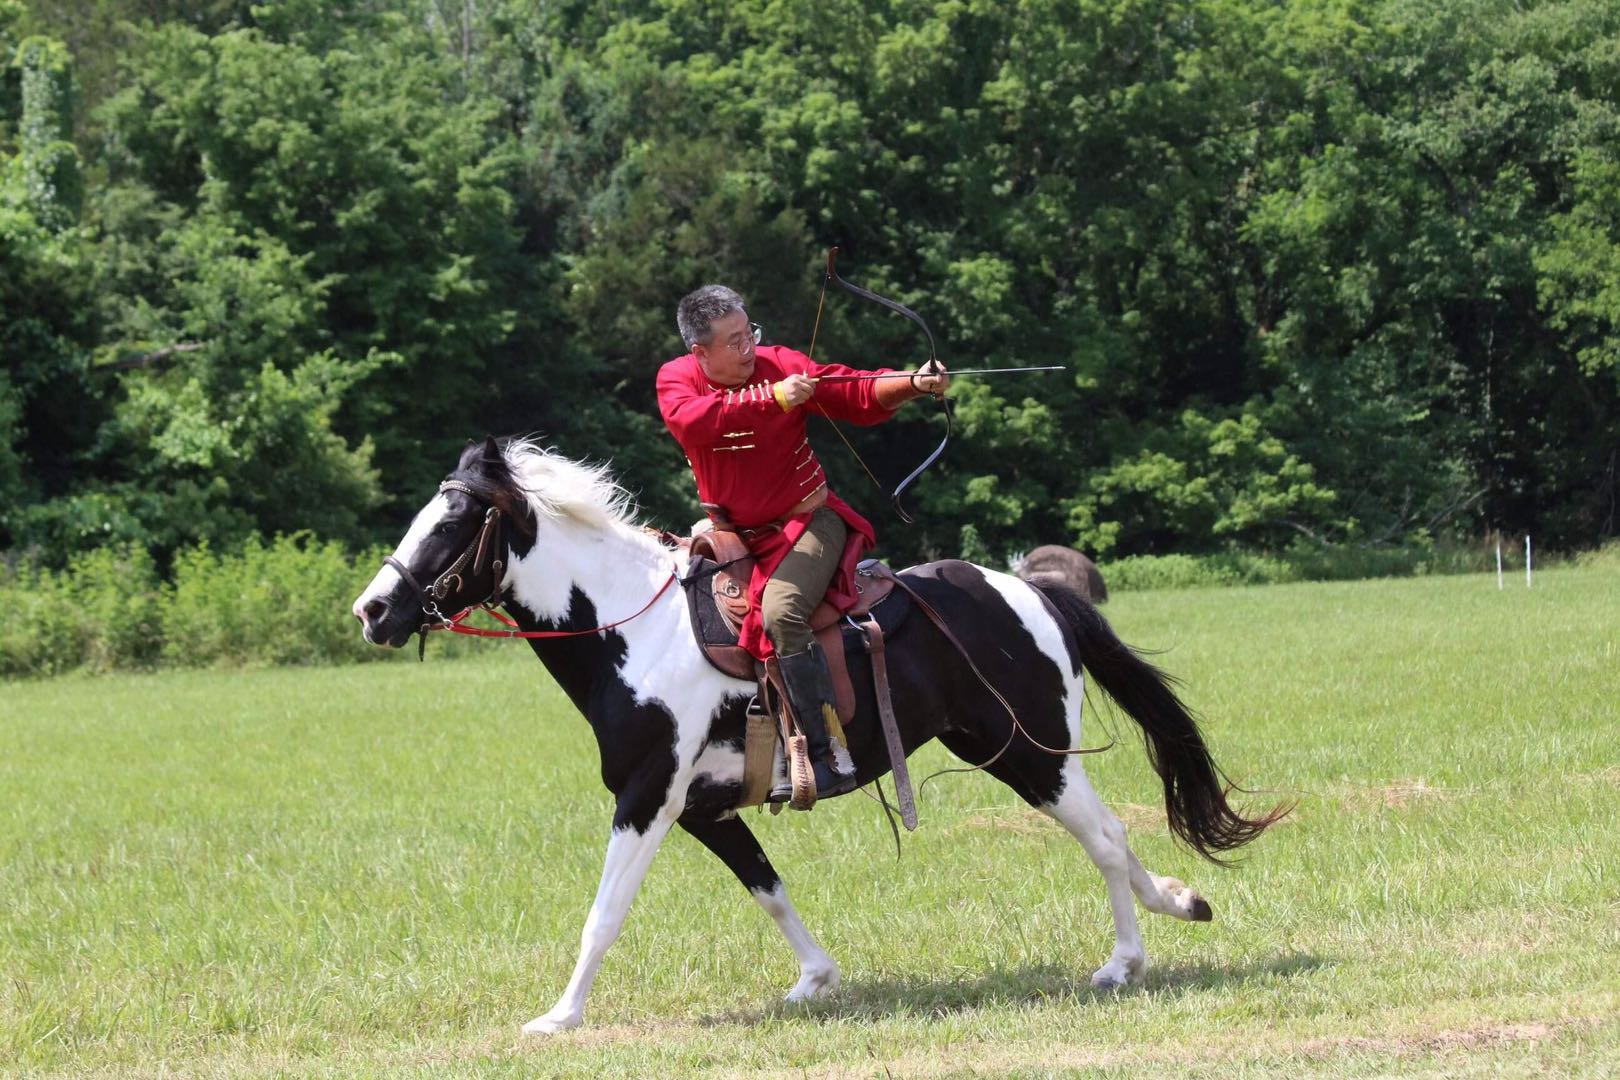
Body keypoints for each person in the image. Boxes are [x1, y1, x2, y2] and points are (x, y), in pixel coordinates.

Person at [657, 283, 948, 801]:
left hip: (808, 521)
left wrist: (911, 383)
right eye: (734, 341)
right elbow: (693, 422)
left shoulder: (780, 364)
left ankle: (826, 752)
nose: (749, 347)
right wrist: (772, 398)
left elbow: (850, 389)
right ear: (700, 352)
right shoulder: (677, 379)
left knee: (782, 612)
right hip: (731, 535)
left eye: (749, 333)